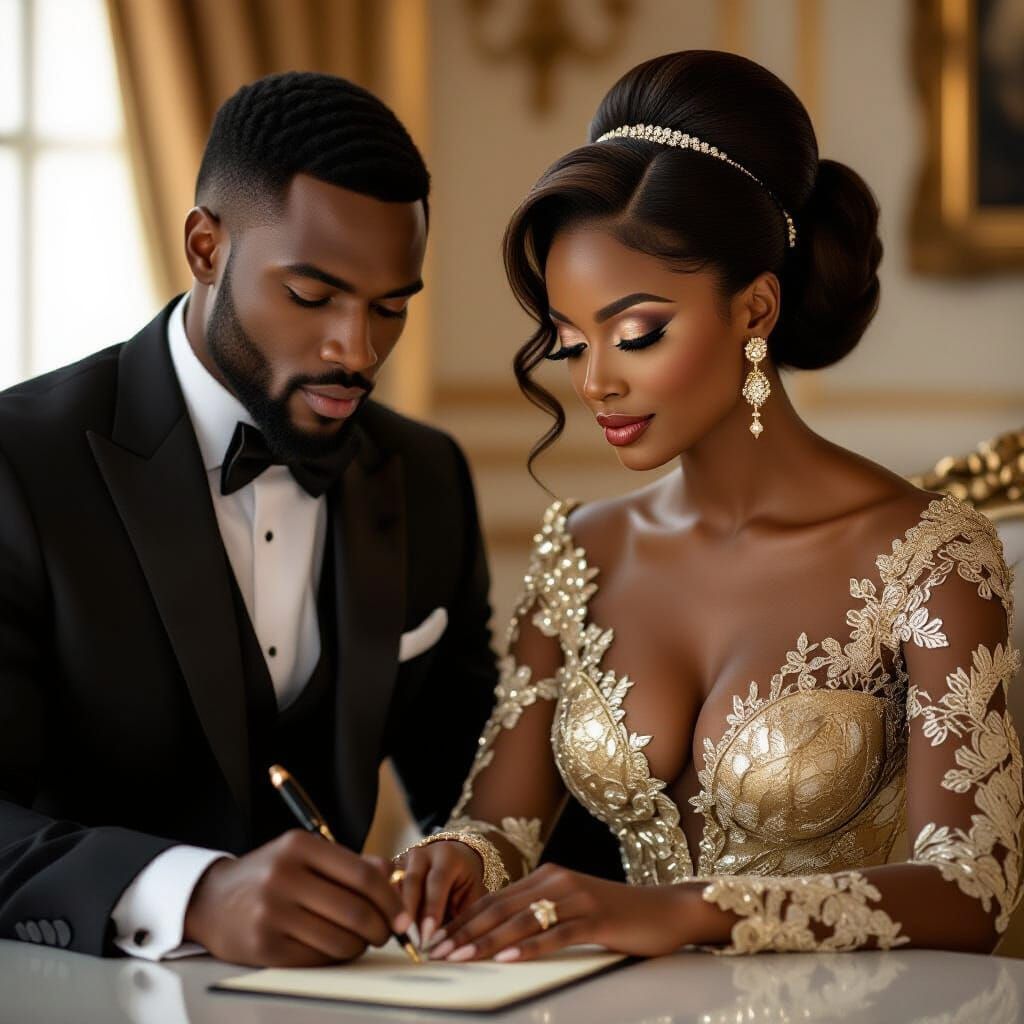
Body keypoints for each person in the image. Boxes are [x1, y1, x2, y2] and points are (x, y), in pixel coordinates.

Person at [394, 50, 1023, 960]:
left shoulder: (931, 558)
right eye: (572, 343)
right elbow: (501, 826)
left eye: (639, 332)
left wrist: (687, 911)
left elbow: (975, 888)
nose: (598, 381)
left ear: (756, 309)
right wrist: (449, 861)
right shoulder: (578, 549)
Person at [0, 72, 499, 967]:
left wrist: (464, 854)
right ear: (204, 247)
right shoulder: (17, 464)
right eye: (313, 296)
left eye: (391, 308)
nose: (358, 349)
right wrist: (191, 895)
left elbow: (475, 778)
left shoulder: (426, 477)